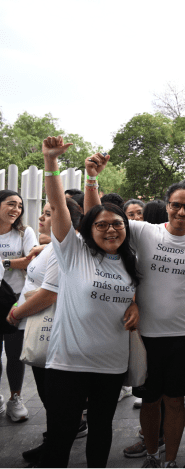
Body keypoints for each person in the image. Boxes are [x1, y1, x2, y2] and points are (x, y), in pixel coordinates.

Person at [85, 154, 185, 469]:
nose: (182, 211)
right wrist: (91, 178)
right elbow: (96, 217)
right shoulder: (145, 232)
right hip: (144, 337)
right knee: (149, 401)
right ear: (167, 205)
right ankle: (152, 456)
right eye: (176, 204)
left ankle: (170, 460)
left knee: (175, 402)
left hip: (183, 336)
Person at [37, 136, 140, 469]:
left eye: (117, 224)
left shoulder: (129, 261)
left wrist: (135, 303)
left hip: (110, 366)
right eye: (102, 225)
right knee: (62, 434)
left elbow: (134, 291)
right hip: (68, 363)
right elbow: (57, 204)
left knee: (101, 430)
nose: (110, 230)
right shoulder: (73, 253)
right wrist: (51, 162)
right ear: (87, 229)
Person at [7, 198, 86, 464]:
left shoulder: (64, 250)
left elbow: (48, 295)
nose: (40, 218)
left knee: (56, 400)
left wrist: (15, 313)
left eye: (48, 214)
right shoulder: (53, 248)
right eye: (42, 213)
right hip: (40, 326)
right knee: (49, 397)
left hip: (53, 333)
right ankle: (51, 444)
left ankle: (54, 454)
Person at [0, 190, 39, 422]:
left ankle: (15, 398)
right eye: (11, 204)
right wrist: (16, 263)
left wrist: (3, 262)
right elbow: (23, 261)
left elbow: (31, 260)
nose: (16, 209)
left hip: (16, 300)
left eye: (20, 206)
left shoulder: (25, 232)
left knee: (15, 354)